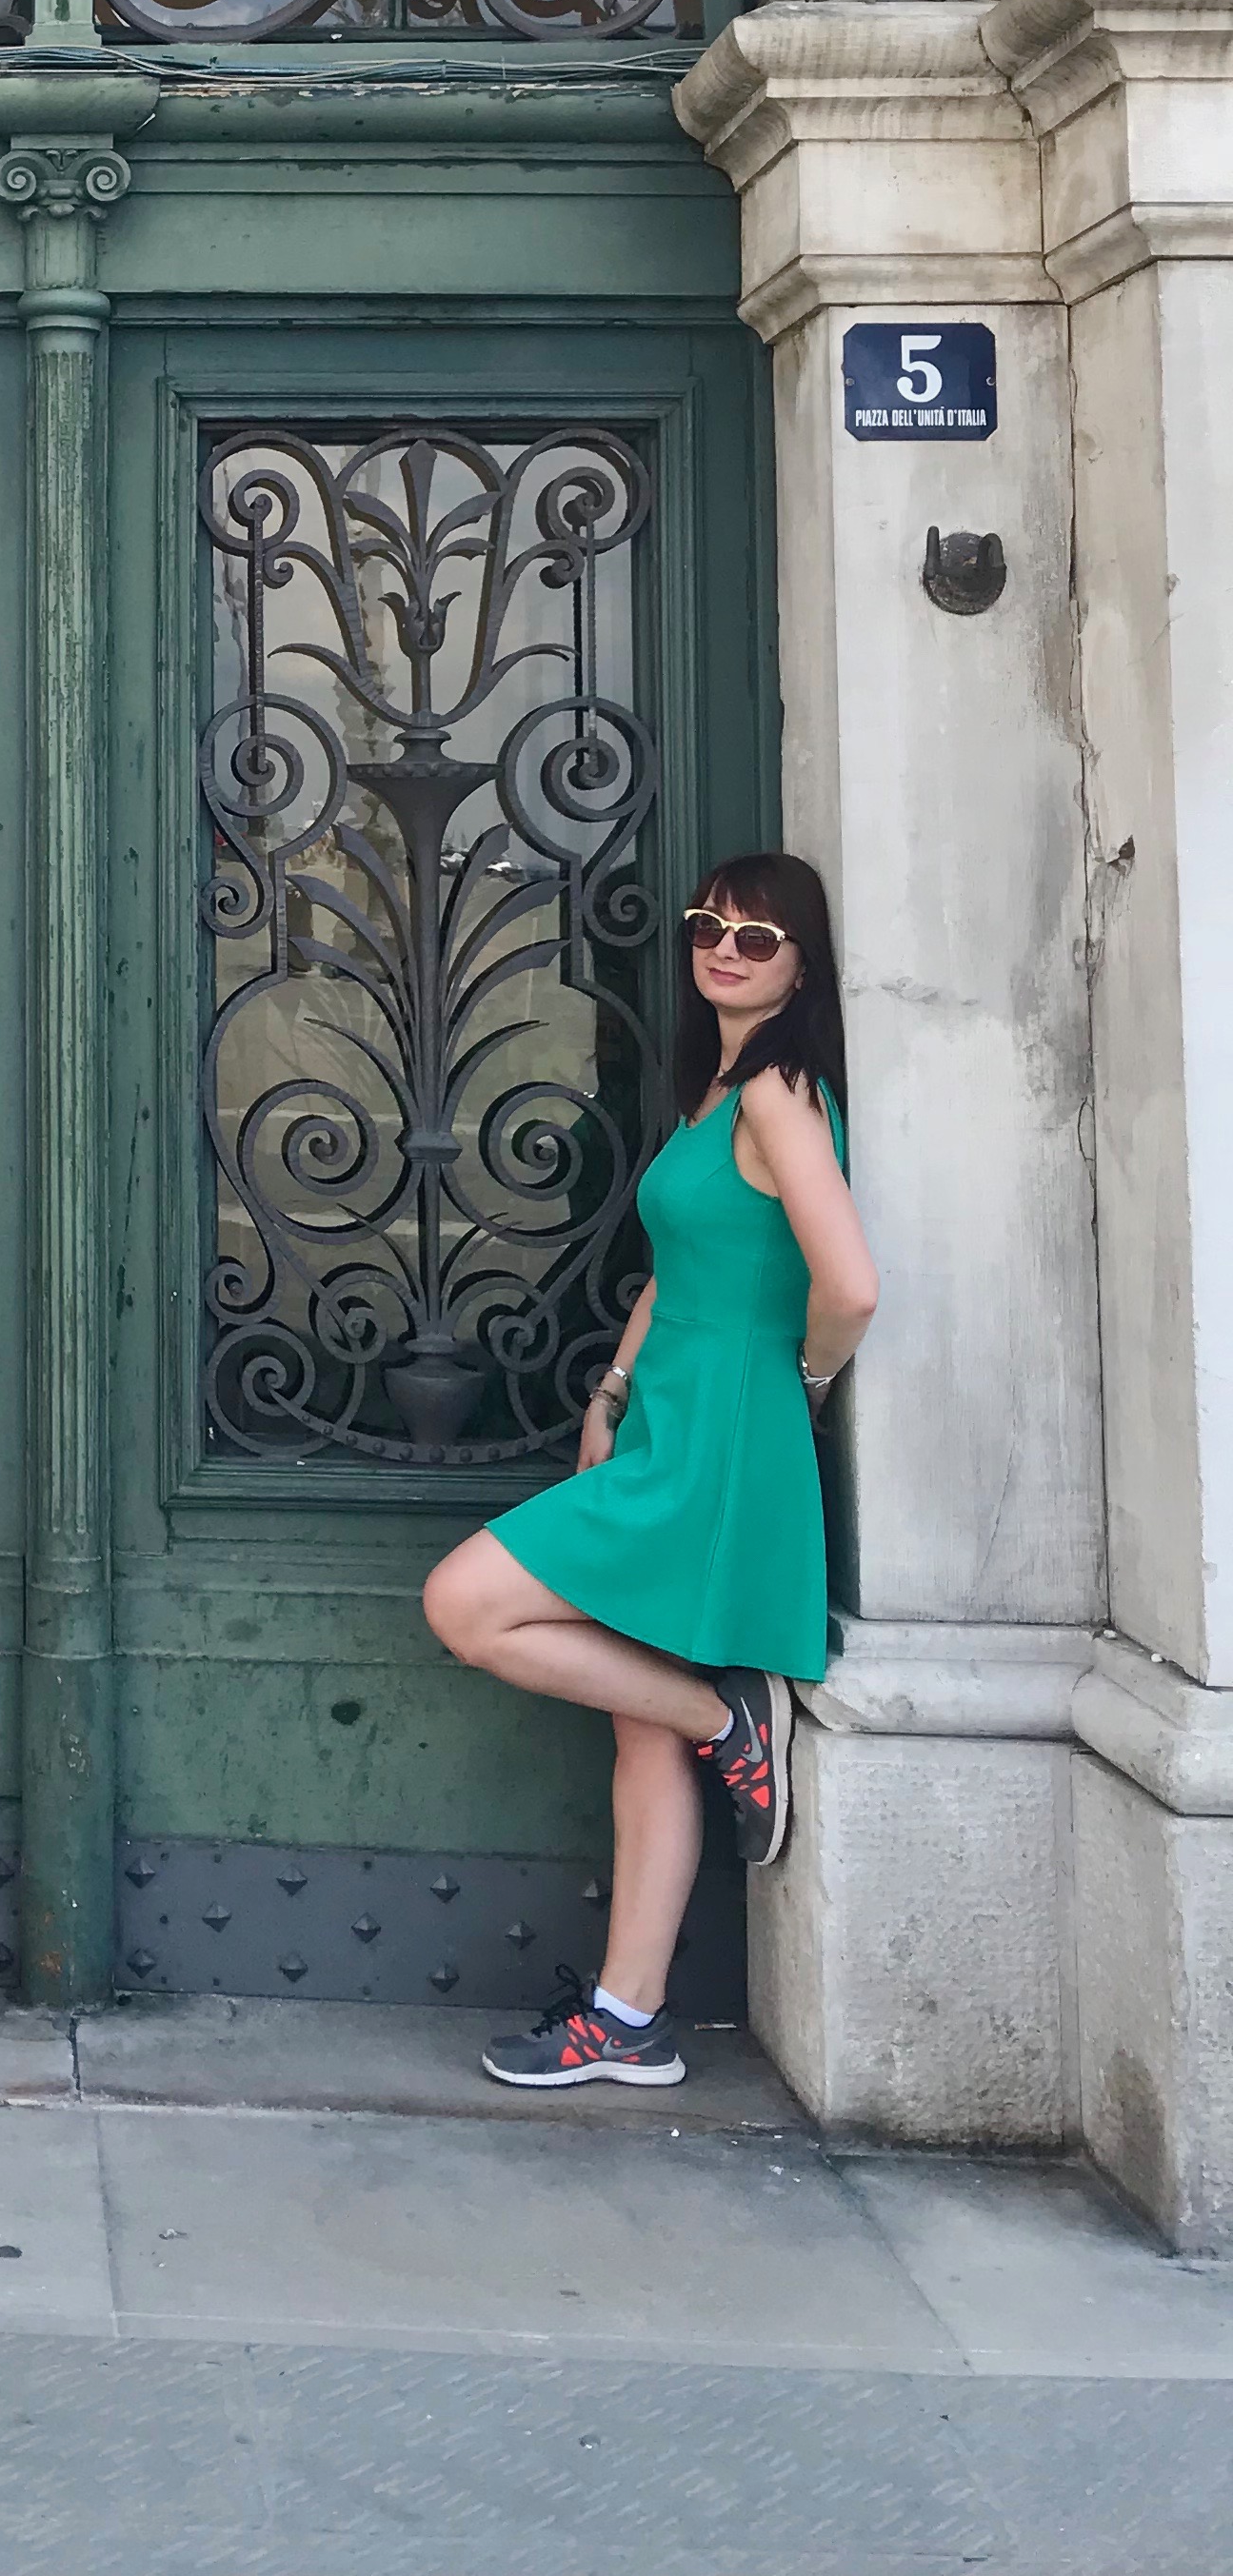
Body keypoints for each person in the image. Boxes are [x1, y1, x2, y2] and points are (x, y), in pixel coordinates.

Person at [421, 852, 877, 2091]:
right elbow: (682, 1268)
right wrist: (613, 1391)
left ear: (802, 966)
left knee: (465, 1604)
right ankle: (628, 2017)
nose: (726, 948)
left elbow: (849, 1285)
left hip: (725, 1425)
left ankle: (727, 1718)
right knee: (638, 1723)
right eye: (708, 926)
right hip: (672, 1410)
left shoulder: (776, 1091)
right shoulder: (719, 1088)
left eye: (758, 937)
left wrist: (802, 1386)